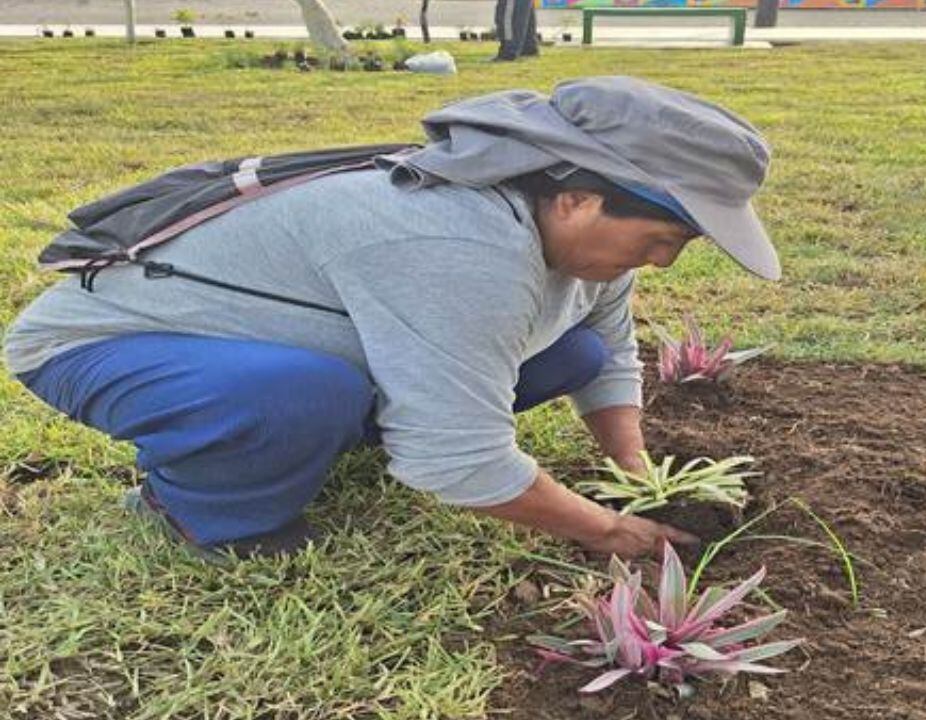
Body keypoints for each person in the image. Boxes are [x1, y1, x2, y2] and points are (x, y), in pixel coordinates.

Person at [3, 76, 781, 564]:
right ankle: (194, 510)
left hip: (283, 342)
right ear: (579, 199)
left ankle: (323, 430)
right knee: (299, 393)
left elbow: (607, 348)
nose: (665, 263)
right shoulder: (456, 239)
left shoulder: (568, 235)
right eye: (663, 240)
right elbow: (456, 459)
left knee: (568, 351)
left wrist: (633, 468)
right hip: (107, 345)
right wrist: (610, 531)